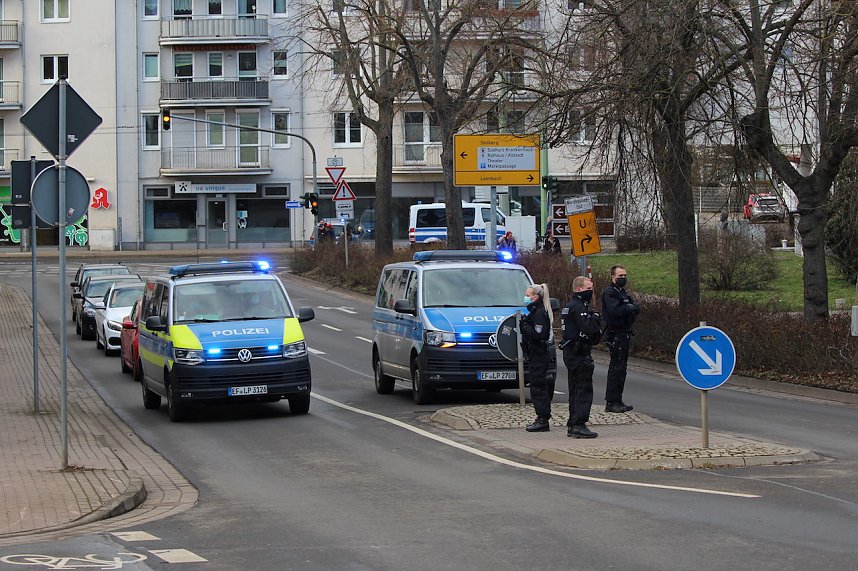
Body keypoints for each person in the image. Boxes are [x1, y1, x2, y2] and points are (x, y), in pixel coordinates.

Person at [560, 276, 603, 438]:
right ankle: (578, 424)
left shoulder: (569, 306)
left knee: (575, 389)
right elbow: (589, 329)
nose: (591, 292)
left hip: (571, 352)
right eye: (588, 289)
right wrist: (596, 318)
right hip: (579, 353)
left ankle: (573, 423)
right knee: (583, 390)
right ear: (578, 289)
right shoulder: (578, 307)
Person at [601, 265, 640, 413]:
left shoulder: (622, 292)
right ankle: (611, 401)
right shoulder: (610, 292)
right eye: (620, 276)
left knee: (622, 369)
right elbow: (615, 311)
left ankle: (618, 399)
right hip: (615, 334)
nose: (623, 278)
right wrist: (629, 308)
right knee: (616, 368)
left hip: (624, 332)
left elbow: (634, 308)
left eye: (624, 275)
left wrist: (632, 309)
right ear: (613, 277)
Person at [520, 283, 554, 432]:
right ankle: (541, 417)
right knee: (537, 386)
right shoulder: (535, 311)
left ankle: (543, 419)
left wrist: (524, 326)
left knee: (538, 387)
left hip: (539, 354)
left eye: (527, 295)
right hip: (535, 354)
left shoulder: (539, 313)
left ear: (535, 297)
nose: (525, 298)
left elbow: (539, 334)